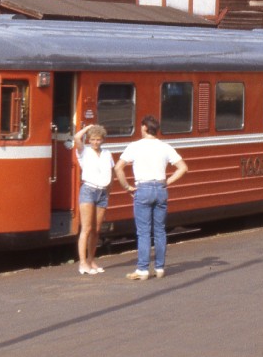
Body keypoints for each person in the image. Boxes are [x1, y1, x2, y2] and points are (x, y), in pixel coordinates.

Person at [114, 115, 188, 280]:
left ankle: (142, 269)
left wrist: (126, 186)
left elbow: (118, 168)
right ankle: (160, 268)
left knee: (144, 232)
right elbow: (183, 168)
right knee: (160, 231)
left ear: (145, 128)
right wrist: (167, 181)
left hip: (143, 188)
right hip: (160, 189)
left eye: (141, 127)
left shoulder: (135, 146)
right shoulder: (165, 147)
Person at [73, 123, 112, 275]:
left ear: (103, 140)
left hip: (102, 192)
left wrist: (109, 190)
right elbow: (77, 137)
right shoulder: (84, 152)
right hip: (88, 190)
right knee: (87, 228)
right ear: (89, 140)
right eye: (93, 139)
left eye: (98, 139)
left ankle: (91, 260)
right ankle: (82, 263)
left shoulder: (107, 153)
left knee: (96, 230)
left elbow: (111, 172)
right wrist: (88, 128)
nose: (95, 142)